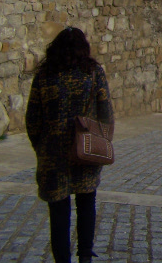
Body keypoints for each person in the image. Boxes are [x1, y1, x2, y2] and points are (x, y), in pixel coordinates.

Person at [26, 27, 114, 263]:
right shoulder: (93, 72)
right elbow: (105, 112)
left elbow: (32, 119)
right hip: (85, 148)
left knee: (58, 212)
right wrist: (102, 141)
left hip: (53, 155)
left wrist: (42, 148)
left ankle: (62, 259)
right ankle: (85, 254)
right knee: (86, 202)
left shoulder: (44, 76)